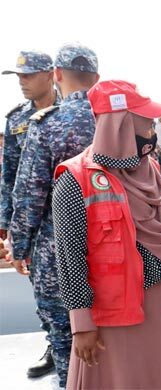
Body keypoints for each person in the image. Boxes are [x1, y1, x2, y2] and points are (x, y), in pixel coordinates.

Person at [52, 80, 161, 389]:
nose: (152, 133)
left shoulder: (150, 170)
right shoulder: (75, 181)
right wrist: (81, 325)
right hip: (117, 322)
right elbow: (70, 258)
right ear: (120, 125)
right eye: (146, 124)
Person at [9, 45, 100, 387]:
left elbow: (30, 194)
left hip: (59, 250)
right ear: (97, 78)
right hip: (116, 249)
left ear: (57, 75)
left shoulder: (47, 125)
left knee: (64, 338)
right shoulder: (119, 122)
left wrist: (19, 246)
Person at [0, 50, 60, 379]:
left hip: (73, 216)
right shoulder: (16, 120)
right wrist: (8, 226)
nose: (22, 81)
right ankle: (56, 345)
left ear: (50, 74)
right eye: (18, 76)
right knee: (44, 287)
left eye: (28, 75)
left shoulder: (74, 111)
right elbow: (9, 176)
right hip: (35, 222)